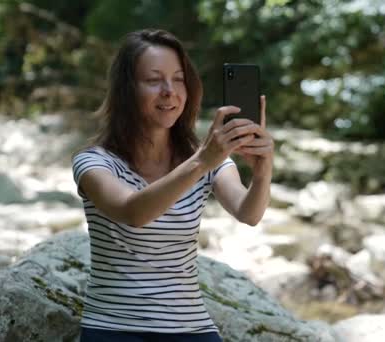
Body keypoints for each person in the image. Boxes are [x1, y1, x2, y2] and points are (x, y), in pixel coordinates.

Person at [71, 29, 273, 342]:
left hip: (190, 327)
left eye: (178, 79)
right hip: (114, 326)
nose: (169, 91)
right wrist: (202, 160)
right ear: (127, 90)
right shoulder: (94, 163)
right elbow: (134, 212)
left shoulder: (206, 159)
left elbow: (249, 213)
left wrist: (262, 172)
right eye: (154, 80)